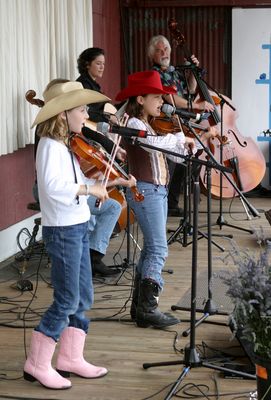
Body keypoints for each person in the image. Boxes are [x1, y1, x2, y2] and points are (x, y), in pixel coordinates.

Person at [23, 80, 136, 389]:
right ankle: (36, 363)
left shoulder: (67, 145)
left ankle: (70, 358)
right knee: (67, 298)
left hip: (77, 224)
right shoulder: (49, 146)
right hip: (62, 230)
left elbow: (82, 176)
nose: (87, 113)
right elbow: (53, 188)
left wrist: (112, 183)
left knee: (83, 295)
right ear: (63, 114)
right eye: (82, 109)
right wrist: (89, 188)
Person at [115, 70, 198, 329]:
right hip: (145, 189)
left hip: (157, 190)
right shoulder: (134, 124)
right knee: (159, 248)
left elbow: (169, 154)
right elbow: (153, 146)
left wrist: (187, 146)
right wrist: (178, 138)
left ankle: (140, 308)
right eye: (156, 97)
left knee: (152, 247)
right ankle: (148, 307)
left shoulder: (149, 123)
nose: (161, 102)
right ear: (140, 99)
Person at [147, 35, 214, 217]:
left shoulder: (175, 71)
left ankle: (174, 202)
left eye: (166, 49)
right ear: (152, 55)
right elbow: (169, 97)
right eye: (159, 50)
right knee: (172, 161)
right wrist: (195, 106)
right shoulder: (154, 74)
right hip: (165, 121)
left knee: (188, 159)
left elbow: (191, 90)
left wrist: (192, 71)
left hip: (180, 119)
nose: (164, 53)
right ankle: (167, 203)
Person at [76, 47, 127, 276]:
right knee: (103, 203)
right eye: (98, 63)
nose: (102, 67)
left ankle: (93, 256)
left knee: (106, 201)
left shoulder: (94, 87)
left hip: (94, 143)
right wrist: (108, 142)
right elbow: (87, 122)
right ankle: (91, 258)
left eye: (104, 63)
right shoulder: (82, 87)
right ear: (87, 64)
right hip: (90, 143)